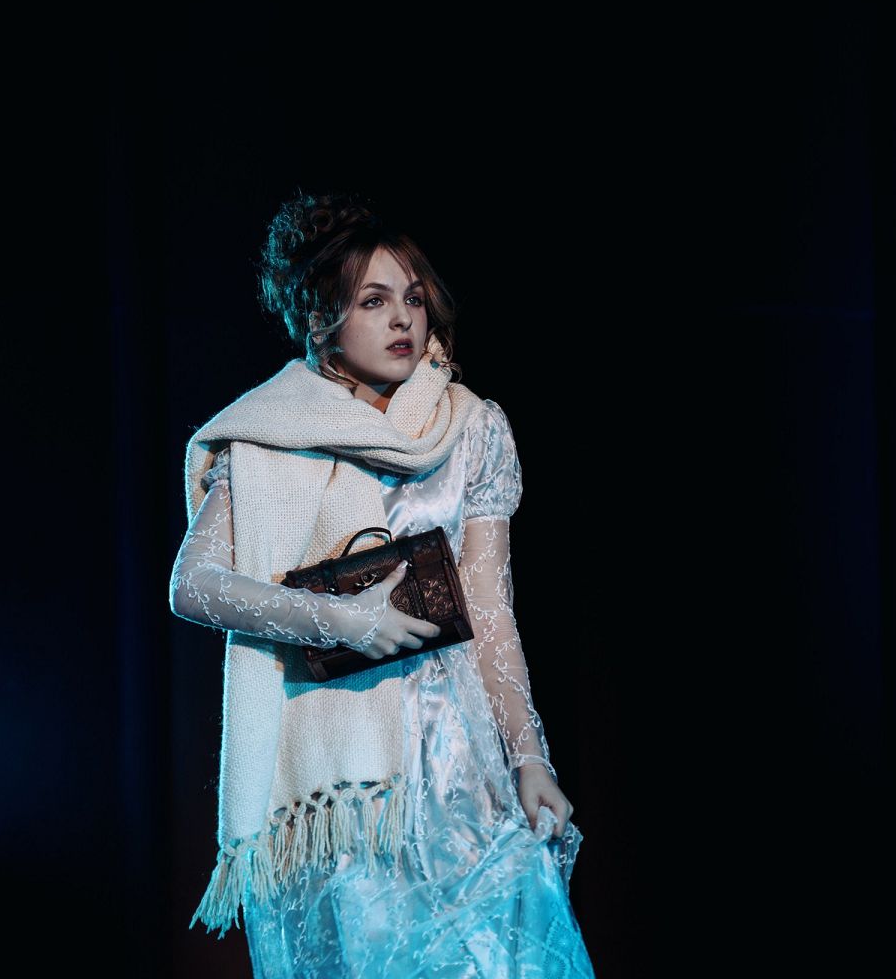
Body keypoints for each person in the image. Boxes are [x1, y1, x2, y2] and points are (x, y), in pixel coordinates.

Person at [168, 191, 595, 978]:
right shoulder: (266, 439)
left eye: (414, 298)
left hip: (461, 768)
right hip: (348, 789)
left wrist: (529, 758)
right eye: (374, 301)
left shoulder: (469, 429)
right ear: (321, 321)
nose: (403, 318)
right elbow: (193, 585)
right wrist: (339, 620)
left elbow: (490, 610)